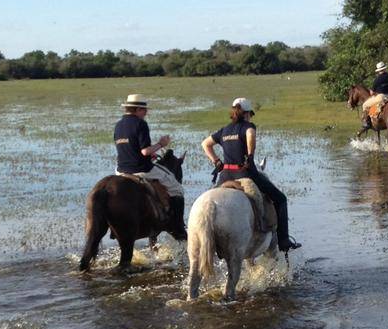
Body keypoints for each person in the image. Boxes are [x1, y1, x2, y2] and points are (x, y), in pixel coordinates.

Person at [201, 98, 300, 251]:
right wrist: (250, 156)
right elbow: (250, 134)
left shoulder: (224, 130)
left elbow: (205, 144)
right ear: (247, 114)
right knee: (281, 199)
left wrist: (216, 161)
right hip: (244, 173)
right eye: (250, 115)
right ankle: (284, 240)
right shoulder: (248, 126)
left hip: (225, 176)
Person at [112, 94, 185, 233]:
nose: (146, 113)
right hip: (141, 169)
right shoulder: (140, 124)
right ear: (138, 109)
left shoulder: (118, 125)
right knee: (178, 189)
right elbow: (145, 152)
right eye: (144, 110)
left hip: (121, 170)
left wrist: (151, 151)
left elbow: (128, 147)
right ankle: (178, 225)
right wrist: (160, 144)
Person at [361, 61, 388, 128]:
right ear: (385, 69)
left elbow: (372, 92)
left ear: (378, 71)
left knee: (365, 105)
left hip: (381, 97)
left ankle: (366, 122)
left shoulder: (377, 80)